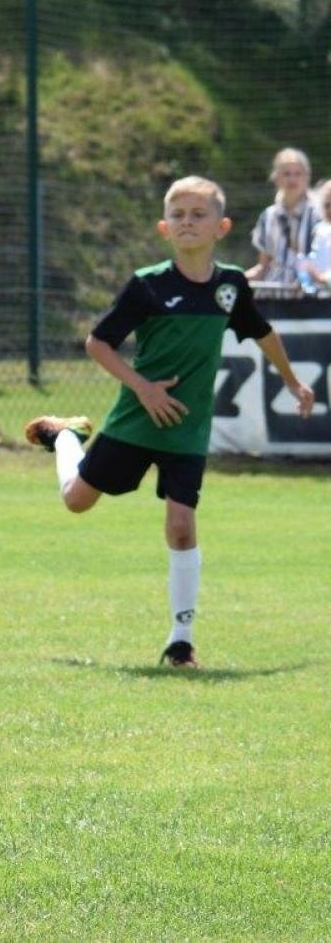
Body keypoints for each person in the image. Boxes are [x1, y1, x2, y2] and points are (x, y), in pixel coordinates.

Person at [24, 176, 315, 669]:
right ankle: (68, 435)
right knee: (76, 502)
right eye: (178, 214)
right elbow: (98, 343)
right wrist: (143, 387)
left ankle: (181, 642)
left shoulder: (230, 286)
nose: (187, 221)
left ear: (221, 226)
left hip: (187, 427)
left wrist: (292, 381)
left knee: (181, 527)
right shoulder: (148, 284)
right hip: (138, 416)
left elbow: (262, 333)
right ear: (164, 227)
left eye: (198, 213)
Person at [243, 148, 317, 287]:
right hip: (273, 297)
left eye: (298, 173)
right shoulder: (268, 216)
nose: (292, 179)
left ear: (307, 177)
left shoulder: (318, 215)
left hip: (312, 300)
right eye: (286, 174)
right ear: (276, 178)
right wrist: (235, 279)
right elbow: (263, 267)